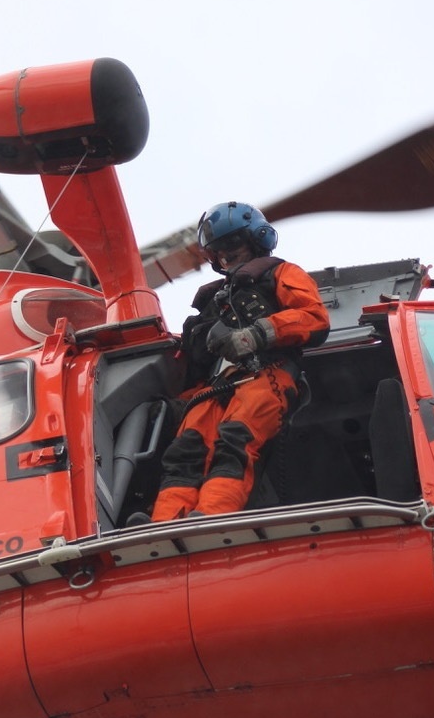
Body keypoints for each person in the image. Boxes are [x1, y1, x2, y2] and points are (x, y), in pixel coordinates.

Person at [140, 201, 330, 522]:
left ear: (257, 238)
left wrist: (255, 335)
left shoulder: (281, 273)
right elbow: (195, 362)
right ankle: (164, 523)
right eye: (217, 251)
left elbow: (313, 318)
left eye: (231, 244)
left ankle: (211, 517)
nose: (225, 255)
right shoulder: (212, 300)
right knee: (184, 453)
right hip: (216, 387)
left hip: (267, 375)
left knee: (235, 442)